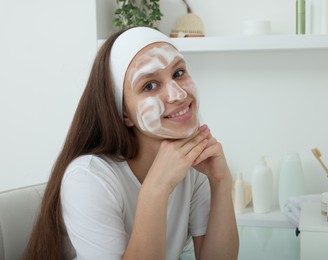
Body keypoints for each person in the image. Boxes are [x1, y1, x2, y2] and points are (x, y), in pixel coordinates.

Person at [25, 27, 239, 260]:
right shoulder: (88, 178)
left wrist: (220, 182)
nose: (177, 94)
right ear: (124, 113)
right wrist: (156, 189)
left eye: (178, 73)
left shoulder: (193, 166)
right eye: (150, 85)